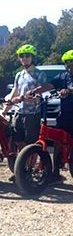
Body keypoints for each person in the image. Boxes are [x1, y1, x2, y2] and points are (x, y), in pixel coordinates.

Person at [28, 49, 73, 188]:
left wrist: (68, 91)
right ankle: (55, 173)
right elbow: (49, 86)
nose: (70, 65)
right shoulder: (62, 76)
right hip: (64, 114)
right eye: (68, 62)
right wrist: (34, 91)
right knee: (57, 142)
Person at [2, 44, 46, 182]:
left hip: (32, 114)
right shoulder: (19, 74)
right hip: (18, 113)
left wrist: (21, 98)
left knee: (30, 144)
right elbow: (14, 91)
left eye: (27, 56)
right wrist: (4, 110)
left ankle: (29, 171)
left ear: (32, 57)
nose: (24, 58)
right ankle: (21, 170)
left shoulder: (40, 74)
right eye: (21, 56)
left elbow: (39, 94)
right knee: (19, 142)